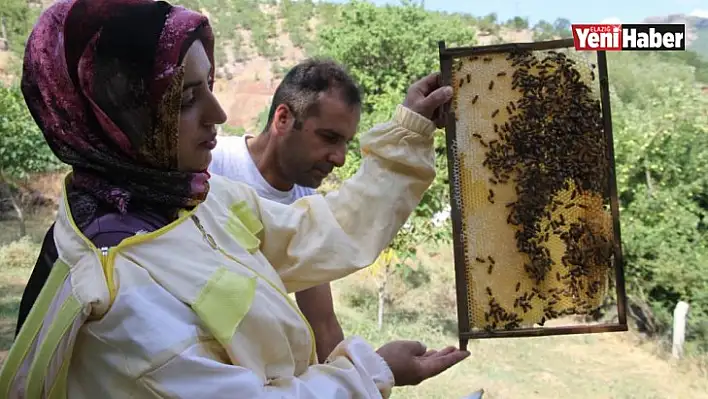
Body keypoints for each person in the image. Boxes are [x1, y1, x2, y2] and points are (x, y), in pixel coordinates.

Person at [0, 0, 469, 397]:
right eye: (184, 99)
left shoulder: (195, 200)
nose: (218, 113)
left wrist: (409, 131)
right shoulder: (120, 291)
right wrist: (373, 372)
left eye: (211, 86)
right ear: (118, 115)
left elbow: (315, 232)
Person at [208, 58, 362, 361]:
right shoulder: (211, 166)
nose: (340, 158)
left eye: (346, 143)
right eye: (329, 137)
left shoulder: (305, 204)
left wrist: (362, 383)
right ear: (282, 119)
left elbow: (323, 323)